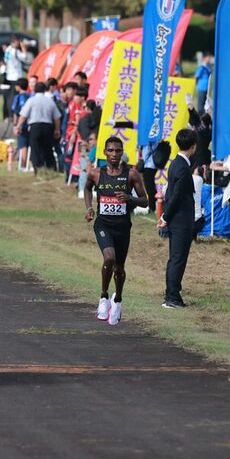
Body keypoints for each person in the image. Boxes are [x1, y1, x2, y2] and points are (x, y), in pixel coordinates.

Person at [84, 136, 148, 325]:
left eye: (118, 151)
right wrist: (89, 208)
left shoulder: (131, 174)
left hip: (122, 227)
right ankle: (103, 296)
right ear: (104, 152)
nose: (114, 154)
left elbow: (145, 201)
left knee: (119, 268)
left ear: (122, 153)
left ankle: (117, 300)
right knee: (109, 259)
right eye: (110, 150)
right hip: (103, 224)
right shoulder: (96, 173)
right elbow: (88, 189)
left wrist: (130, 199)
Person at [159, 128, 198, 308]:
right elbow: (175, 196)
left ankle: (173, 294)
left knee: (175, 258)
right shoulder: (182, 167)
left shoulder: (176, 163)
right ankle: (172, 296)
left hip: (176, 219)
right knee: (178, 259)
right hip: (180, 220)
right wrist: (165, 216)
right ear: (193, 146)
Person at [15, 81, 61, 174]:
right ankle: (51, 168)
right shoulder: (49, 101)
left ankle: (38, 168)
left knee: (35, 149)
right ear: (45, 90)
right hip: (47, 127)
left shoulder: (31, 100)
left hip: (35, 126)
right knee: (48, 149)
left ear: (35, 90)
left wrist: (18, 126)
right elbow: (56, 117)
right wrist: (57, 129)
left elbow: (23, 115)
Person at [10, 78, 31, 170]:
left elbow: (16, 112)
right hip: (30, 123)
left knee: (22, 145)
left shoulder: (17, 97)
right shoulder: (30, 97)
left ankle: (23, 165)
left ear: (18, 87)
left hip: (21, 124)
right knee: (28, 144)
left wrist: (15, 125)